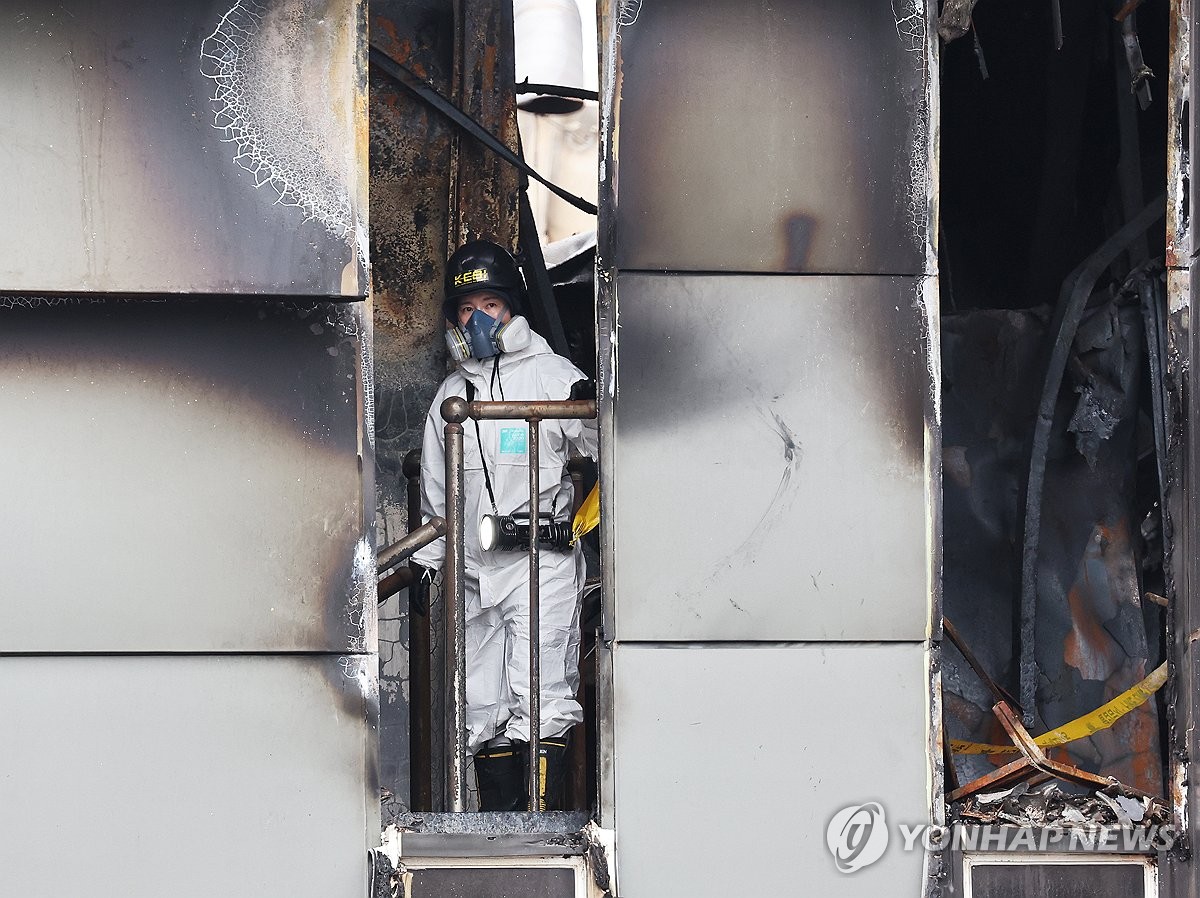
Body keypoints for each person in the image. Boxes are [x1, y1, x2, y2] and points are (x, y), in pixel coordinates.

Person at [412, 239, 597, 811]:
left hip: (539, 561)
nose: (478, 319)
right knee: (481, 701)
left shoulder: (549, 375)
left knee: (539, 692)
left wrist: (592, 404)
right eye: (467, 309)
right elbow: (437, 493)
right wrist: (427, 561)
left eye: (489, 305)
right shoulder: (452, 394)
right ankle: (498, 826)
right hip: (474, 572)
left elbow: (607, 444)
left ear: (512, 310)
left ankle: (538, 828)